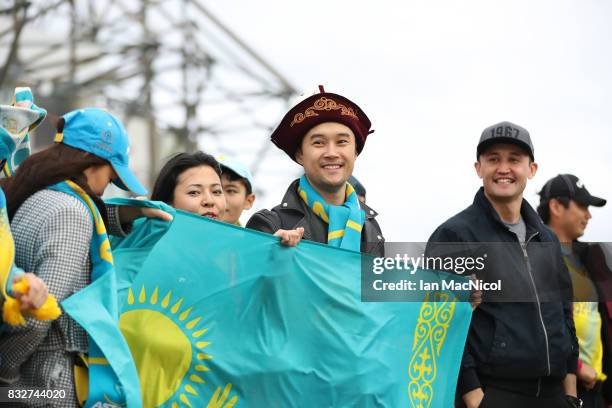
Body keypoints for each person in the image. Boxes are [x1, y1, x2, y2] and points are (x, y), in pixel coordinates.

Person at [0, 108, 171, 407]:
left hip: (32, 382)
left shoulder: (30, 197)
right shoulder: (71, 213)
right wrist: (6, 374)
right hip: (51, 383)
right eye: (111, 175)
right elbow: (39, 315)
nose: (107, 186)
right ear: (94, 163)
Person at [427, 121, 579, 408]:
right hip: (494, 393)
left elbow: (564, 313)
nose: (504, 168)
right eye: (493, 159)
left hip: (554, 395)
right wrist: (474, 395)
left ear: (531, 169)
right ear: (478, 168)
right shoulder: (454, 235)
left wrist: (570, 392)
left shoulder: (547, 238)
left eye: (514, 159)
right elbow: (441, 324)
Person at [247, 86, 384, 256]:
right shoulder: (271, 225)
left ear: (355, 152)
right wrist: (270, 255)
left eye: (342, 142)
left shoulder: (370, 227)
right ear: (299, 155)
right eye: (318, 143)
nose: (332, 153)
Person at [538, 174, 611, 408]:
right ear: (556, 206)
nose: (588, 215)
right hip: (556, 389)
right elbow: (533, 324)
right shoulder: (535, 257)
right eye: (582, 206)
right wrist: (577, 367)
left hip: (596, 392)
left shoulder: (592, 259)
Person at [151, 151, 301, 246]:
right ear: (168, 201)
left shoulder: (245, 250)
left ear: (249, 200)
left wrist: (272, 252)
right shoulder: (145, 241)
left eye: (217, 191)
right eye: (194, 192)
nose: (209, 201)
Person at [217, 155, 256, 226]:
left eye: (230, 191)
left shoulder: (250, 237)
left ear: (248, 201)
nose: (220, 198)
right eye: (215, 191)